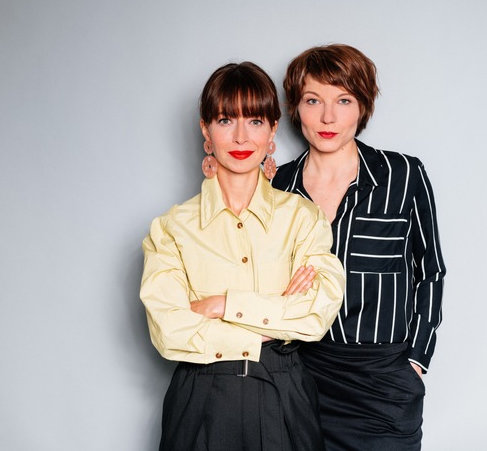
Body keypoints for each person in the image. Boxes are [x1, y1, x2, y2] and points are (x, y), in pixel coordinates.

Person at [140, 61, 346, 451]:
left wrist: (222, 305)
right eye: (225, 120)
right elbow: (168, 331)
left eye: (254, 121)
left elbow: (316, 314)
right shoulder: (171, 228)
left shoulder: (302, 218)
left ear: (272, 130)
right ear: (206, 130)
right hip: (200, 395)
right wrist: (275, 317)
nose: (240, 136)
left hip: (284, 393)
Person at [272, 44, 447, 451]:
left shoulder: (403, 175)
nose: (328, 117)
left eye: (343, 100)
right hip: (299, 375)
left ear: (362, 106)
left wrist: (417, 360)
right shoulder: (277, 186)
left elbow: (431, 270)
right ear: (296, 108)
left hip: (383, 381)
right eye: (313, 100)